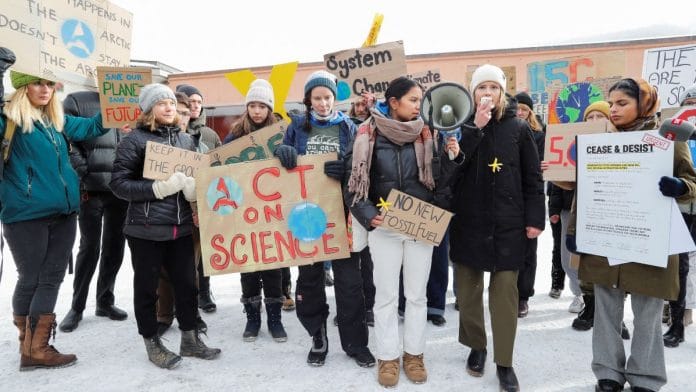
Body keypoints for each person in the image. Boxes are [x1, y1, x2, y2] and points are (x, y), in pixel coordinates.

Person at [566, 78, 696, 392]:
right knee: (606, 310)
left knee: (647, 312)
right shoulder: (600, 139)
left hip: (649, 240)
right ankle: (608, 373)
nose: (614, 110)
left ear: (644, 102)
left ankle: (646, 378)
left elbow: (692, 182)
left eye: (622, 103)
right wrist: (574, 232)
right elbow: (585, 189)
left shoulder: (665, 139)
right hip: (606, 240)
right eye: (611, 104)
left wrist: (680, 188)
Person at [344, 76, 457, 387]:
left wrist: (452, 157)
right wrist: (368, 215)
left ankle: (414, 355)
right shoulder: (368, 133)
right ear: (393, 103)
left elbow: (444, 181)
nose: (418, 106)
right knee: (386, 296)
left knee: (417, 296)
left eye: (419, 100)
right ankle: (388, 357)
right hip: (384, 227)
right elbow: (352, 183)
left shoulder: (429, 133)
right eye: (412, 100)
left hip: (420, 225)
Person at [1, 61, 112, 370]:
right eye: (37, 83)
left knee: (47, 278)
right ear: (23, 88)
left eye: (49, 84)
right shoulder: (8, 118)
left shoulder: (56, 121)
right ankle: (35, 348)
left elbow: (92, 128)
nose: (45, 90)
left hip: (64, 213)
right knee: (33, 279)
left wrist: (115, 106)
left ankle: (32, 347)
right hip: (25, 214)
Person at [110, 83, 220, 369]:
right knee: (147, 289)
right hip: (145, 229)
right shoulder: (134, 141)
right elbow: (118, 184)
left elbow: (196, 177)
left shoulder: (185, 141)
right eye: (162, 103)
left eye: (171, 103)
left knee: (187, 286)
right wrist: (157, 189)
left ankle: (190, 338)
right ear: (149, 109)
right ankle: (152, 342)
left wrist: (194, 191)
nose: (169, 108)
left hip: (181, 227)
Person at [449, 64, 545, 392]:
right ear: (472, 93)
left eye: (493, 87)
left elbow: (533, 178)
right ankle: (477, 346)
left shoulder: (519, 129)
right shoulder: (458, 127)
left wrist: (535, 219)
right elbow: (450, 174)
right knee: (468, 291)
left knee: (505, 294)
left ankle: (505, 361)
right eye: (481, 87)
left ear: (502, 92)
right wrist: (473, 130)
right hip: (469, 222)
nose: (486, 93)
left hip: (509, 224)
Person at [274, 70, 374, 368]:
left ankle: (356, 343)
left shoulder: (349, 127)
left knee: (349, 282)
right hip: (306, 218)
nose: (322, 103)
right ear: (308, 100)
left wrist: (345, 171)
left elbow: (361, 166)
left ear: (335, 98)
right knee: (309, 280)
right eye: (316, 98)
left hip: (341, 216)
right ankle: (318, 336)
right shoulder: (296, 127)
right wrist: (282, 152)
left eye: (327, 97)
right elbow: (279, 160)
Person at [58, 91, 129, 333]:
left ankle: (105, 301)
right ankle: (76, 307)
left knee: (115, 247)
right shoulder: (76, 100)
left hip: (120, 188)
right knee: (89, 248)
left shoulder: (124, 98)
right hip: (90, 189)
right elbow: (67, 139)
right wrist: (83, 171)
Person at [224, 79, 288, 343]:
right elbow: (220, 166)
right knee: (248, 268)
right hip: (244, 212)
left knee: (273, 268)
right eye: (253, 105)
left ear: (269, 108)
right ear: (247, 107)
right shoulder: (235, 134)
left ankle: (275, 319)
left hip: (272, 211)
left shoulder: (283, 133)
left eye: (262, 105)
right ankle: (252, 319)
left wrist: (289, 152)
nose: (257, 110)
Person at [155, 92, 207, 336]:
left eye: (187, 112)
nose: (183, 116)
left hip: (193, 214)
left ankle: (191, 313)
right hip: (163, 213)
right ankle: (163, 315)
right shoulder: (157, 140)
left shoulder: (200, 140)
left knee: (190, 270)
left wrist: (199, 208)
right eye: (179, 111)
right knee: (164, 269)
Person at [175, 83, 221, 314]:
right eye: (189, 102)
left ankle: (204, 292)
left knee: (204, 250)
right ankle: (180, 299)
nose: (194, 106)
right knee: (183, 255)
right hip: (176, 203)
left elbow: (220, 163)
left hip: (204, 200)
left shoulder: (210, 135)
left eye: (198, 102)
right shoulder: (171, 133)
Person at [663, 83, 696, 348]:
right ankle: (677, 320)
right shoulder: (674, 129)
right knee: (679, 265)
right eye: (691, 100)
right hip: (682, 207)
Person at [514, 91, 546, 317]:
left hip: (530, 195)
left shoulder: (539, 134)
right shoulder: (505, 131)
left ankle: (523, 296)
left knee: (528, 251)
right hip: (509, 198)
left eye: (524, 109)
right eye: (517, 108)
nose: (520, 112)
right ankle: (508, 293)